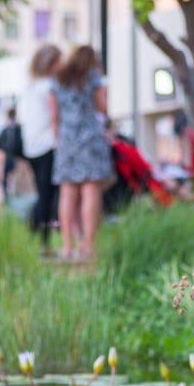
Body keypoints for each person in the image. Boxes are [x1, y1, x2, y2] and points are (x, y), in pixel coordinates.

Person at [50, 45, 113, 262]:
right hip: (90, 139)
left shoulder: (57, 80)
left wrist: (60, 141)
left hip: (67, 141)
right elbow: (102, 108)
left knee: (67, 194)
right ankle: (87, 245)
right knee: (90, 192)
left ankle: (67, 246)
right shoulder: (93, 78)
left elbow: (54, 117)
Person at [18, 45, 62, 246]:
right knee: (47, 194)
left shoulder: (31, 86)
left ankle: (38, 233)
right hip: (47, 146)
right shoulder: (49, 86)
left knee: (42, 191)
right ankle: (42, 236)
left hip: (32, 147)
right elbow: (55, 117)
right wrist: (59, 141)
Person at [0, 107, 23, 199]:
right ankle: (6, 193)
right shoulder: (5, 130)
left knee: (16, 176)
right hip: (8, 156)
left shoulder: (19, 129)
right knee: (6, 175)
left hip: (17, 156)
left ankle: (14, 194)